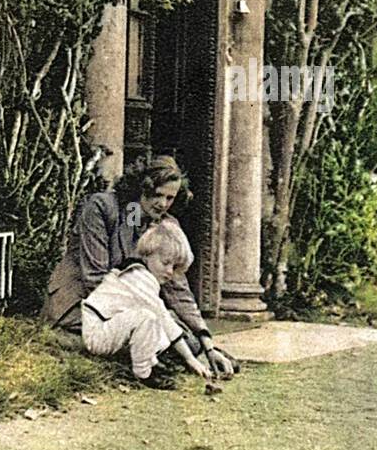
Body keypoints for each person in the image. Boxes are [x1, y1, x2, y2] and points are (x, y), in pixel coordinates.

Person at [42, 154, 238, 378]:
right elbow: (94, 277)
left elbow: (177, 288)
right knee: (162, 334)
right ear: (140, 187)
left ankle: (174, 356)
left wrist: (207, 343)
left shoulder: (162, 225)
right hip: (82, 302)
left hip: (126, 307)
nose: (162, 204)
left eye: (170, 198)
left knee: (188, 341)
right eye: (156, 194)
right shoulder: (102, 207)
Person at [81, 218, 210, 387]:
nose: (170, 271)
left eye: (174, 266)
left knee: (153, 322)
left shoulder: (141, 274)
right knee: (149, 317)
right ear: (148, 255)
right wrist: (190, 359)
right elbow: (164, 318)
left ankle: (155, 362)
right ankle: (144, 374)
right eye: (165, 263)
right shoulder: (139, 277)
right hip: (98, 332)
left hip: (110, 327)